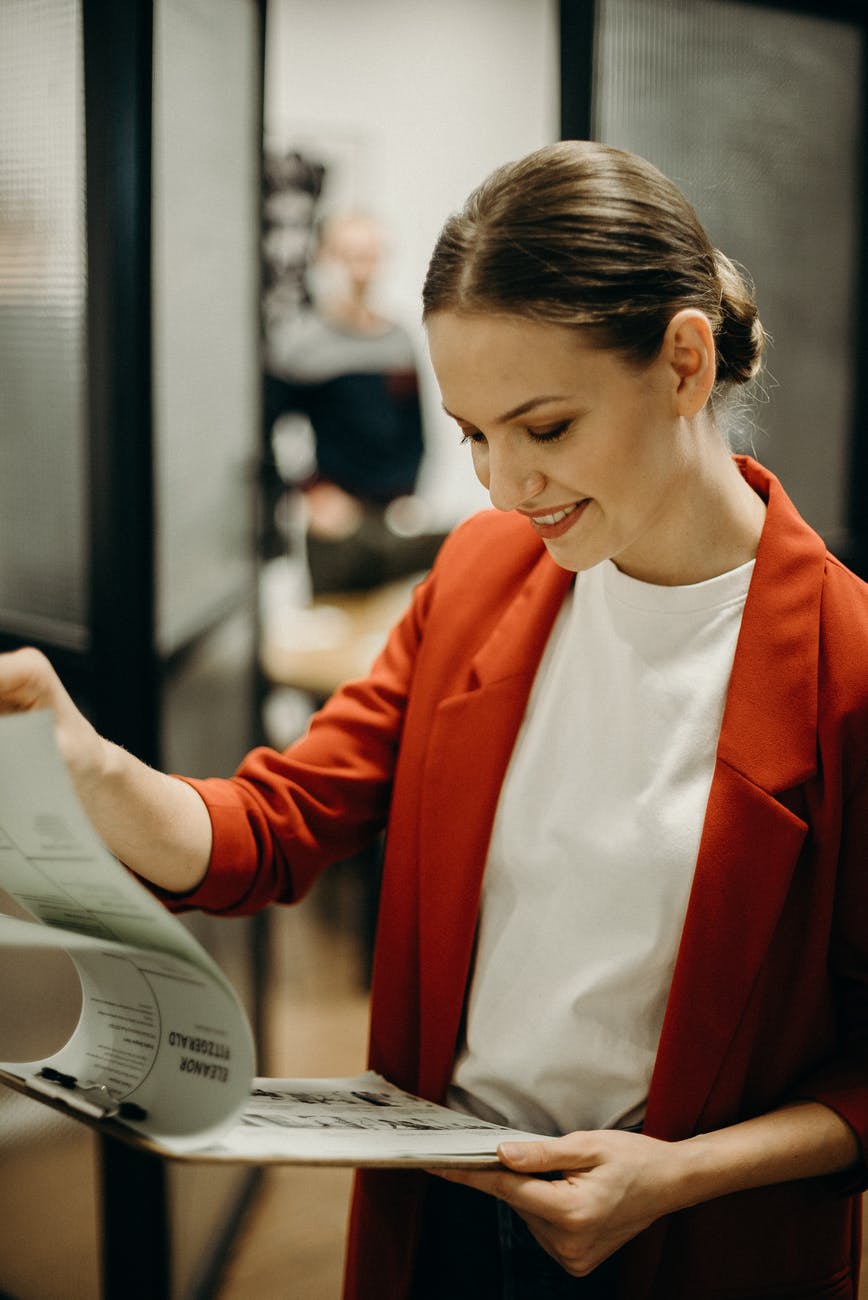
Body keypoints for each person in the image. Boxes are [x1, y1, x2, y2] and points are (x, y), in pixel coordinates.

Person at [2, 140, 867, 1299]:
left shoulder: (845, 665)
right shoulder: (480, 577)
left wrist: (672, 1176)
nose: (504, 486)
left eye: (544, 427)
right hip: (442, 1213)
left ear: (683, 362)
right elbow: (274, 824)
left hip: (688, 1244)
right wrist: (89, 766)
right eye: (471, 433)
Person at [264, 210, 447, 594]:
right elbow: (264, 434)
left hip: (394, 517)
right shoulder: (300, 345)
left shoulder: (398, 341)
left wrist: (411, 494)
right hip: (335, 526)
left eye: (370, 256)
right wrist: (308, 492)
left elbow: (415, 430)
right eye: (348, 257)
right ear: (323, 260)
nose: (360, 271)